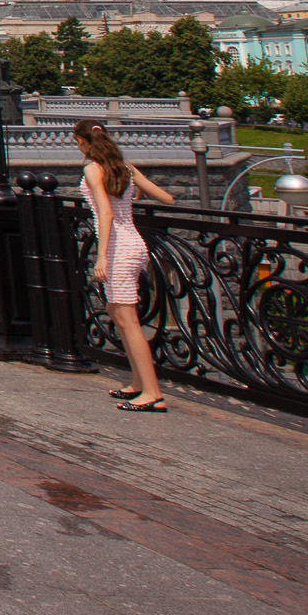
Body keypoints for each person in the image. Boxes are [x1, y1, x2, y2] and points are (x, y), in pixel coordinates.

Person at [77, 119, 174, 412]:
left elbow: (104, 213)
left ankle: (153, 393)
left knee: (128, 321)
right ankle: (137, 382)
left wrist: (102, 256)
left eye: (76, 141)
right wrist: (133, 193)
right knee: (117, 314)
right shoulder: (126, 169)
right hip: (136, 244)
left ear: (83, 142)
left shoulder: (92, 169)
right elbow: (167, 198)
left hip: (119, 249)